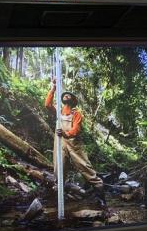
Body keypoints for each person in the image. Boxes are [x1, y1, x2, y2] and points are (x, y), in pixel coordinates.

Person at [45, 78, 106, 207]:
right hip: (60, 143)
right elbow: (47, 105)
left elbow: (76, 129)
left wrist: (66, 134)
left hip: (74, 144)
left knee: (85, 167)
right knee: (59, 169)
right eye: (65, 95)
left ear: (73, 101)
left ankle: (101, 197)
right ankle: (58, 198)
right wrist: (53, 88)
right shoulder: (58, 111)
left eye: (69, 95)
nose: (66, 95)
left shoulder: (76, 113)